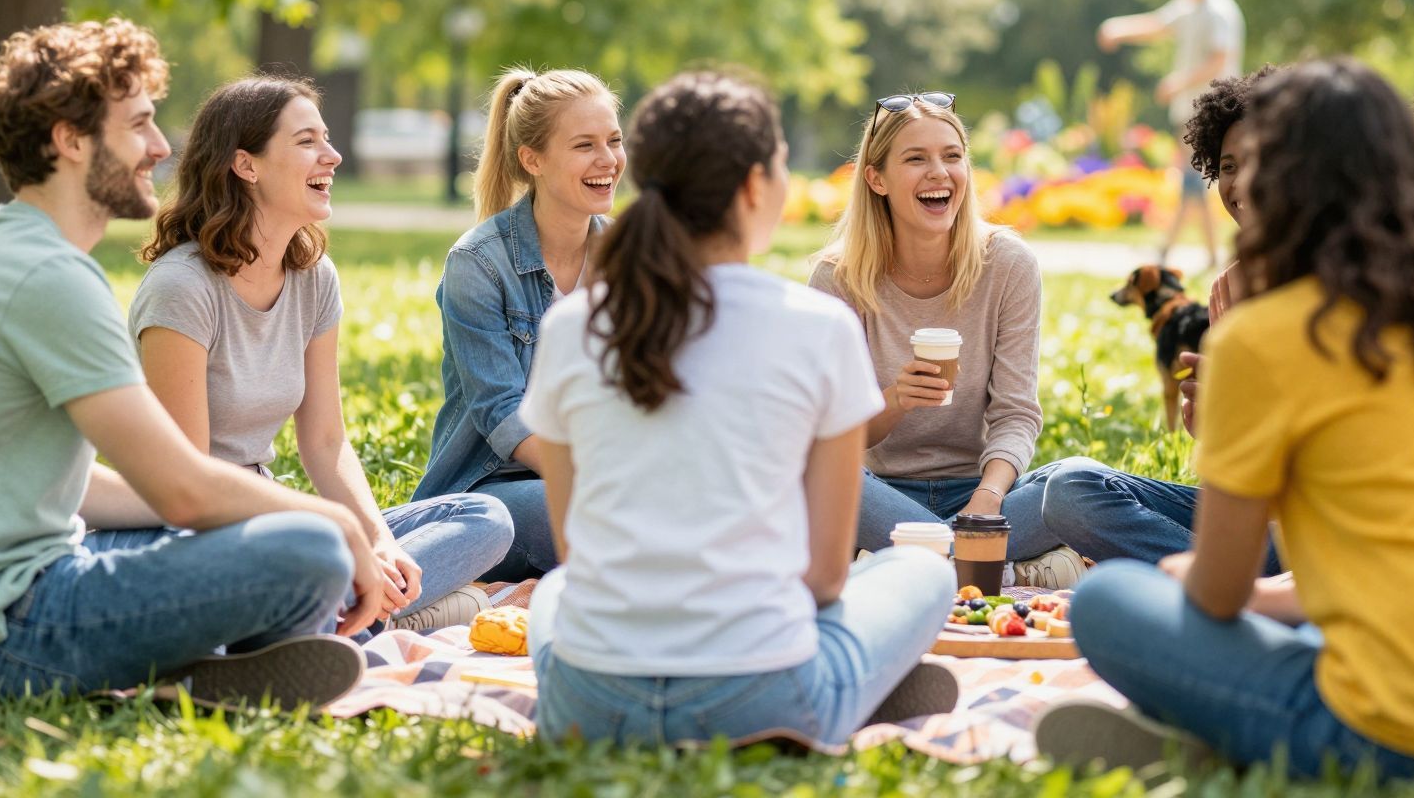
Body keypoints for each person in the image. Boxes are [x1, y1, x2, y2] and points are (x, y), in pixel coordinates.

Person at [1037, 60, 1414, 779]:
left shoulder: (1265, 335)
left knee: (1107, 599)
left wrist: (1192, 568)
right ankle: (1227, 726)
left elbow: (1219, 590)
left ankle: (1227, 737)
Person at [0, 20, 387, 704]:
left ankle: (201, 666)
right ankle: (218, 658)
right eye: (139, 124)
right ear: (71, 139)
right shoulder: (47, 278)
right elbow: (183, 492)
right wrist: (339, 523)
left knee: (282, 538)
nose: (161, 146)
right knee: (313, 553)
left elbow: (94, 489)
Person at [525, 71, 956, 745]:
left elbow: (577, 548)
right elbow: (823, 576)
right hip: (764, 700)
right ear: (755, 186)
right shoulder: (818, 328)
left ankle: (854, 684)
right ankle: (859, 688)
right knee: (923, 569)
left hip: (591, 703)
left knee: (553, 594)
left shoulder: (571, 326)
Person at [130, 76, 514, 632]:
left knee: (486, 517)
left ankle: (344, 612)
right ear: (246, 165)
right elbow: (188, 480)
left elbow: (326, 442)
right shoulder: (181, 289)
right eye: (308, 141)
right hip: (199, 530)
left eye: (327, 139)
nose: (332, 156)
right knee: (322, 558)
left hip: (281, 517)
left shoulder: (313, 278)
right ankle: (378, 613)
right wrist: (328, 535)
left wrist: (377, 545)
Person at [810, 92, 1081, 589]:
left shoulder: (1007, 265)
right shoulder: (837, 280)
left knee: (1074, 483)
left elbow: (1016, 413)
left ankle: (905, 566)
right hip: (881, 498)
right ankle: (1000, 569)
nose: (940, 172)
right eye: (916, 159)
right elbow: (834, 436)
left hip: (986, 494)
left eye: (952, 156)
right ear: (876, 179)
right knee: (821, 475)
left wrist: (988, 500)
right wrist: (894, 401)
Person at [1038, 70, 1273, 567]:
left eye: (1258, 161)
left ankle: (1222, 581)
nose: (1239, 183)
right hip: (1252, 515)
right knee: (1069, 489)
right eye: (1228, 165)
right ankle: (1218, 576)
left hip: (1325, 525)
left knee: (1106, 603)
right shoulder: (1229, 289)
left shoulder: (1340, 278)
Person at [415, 67, 622, 582]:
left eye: (614, 141)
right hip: (491, 489)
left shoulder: (628, 256)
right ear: (533, 159)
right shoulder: (478, 264)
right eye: (584, 146)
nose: (608, 160)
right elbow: (504, 416)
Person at [1098, 0, 1245, 268]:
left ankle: (1170, 250)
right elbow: (1157, 25)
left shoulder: (1218, 10)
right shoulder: (1189, 5)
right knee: (1198, 180)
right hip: (1190, 109)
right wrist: (1118, 29)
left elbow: (1220, 59)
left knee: (1195, 180)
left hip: (1211, 110)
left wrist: (1179, 81)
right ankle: (1208, 254)